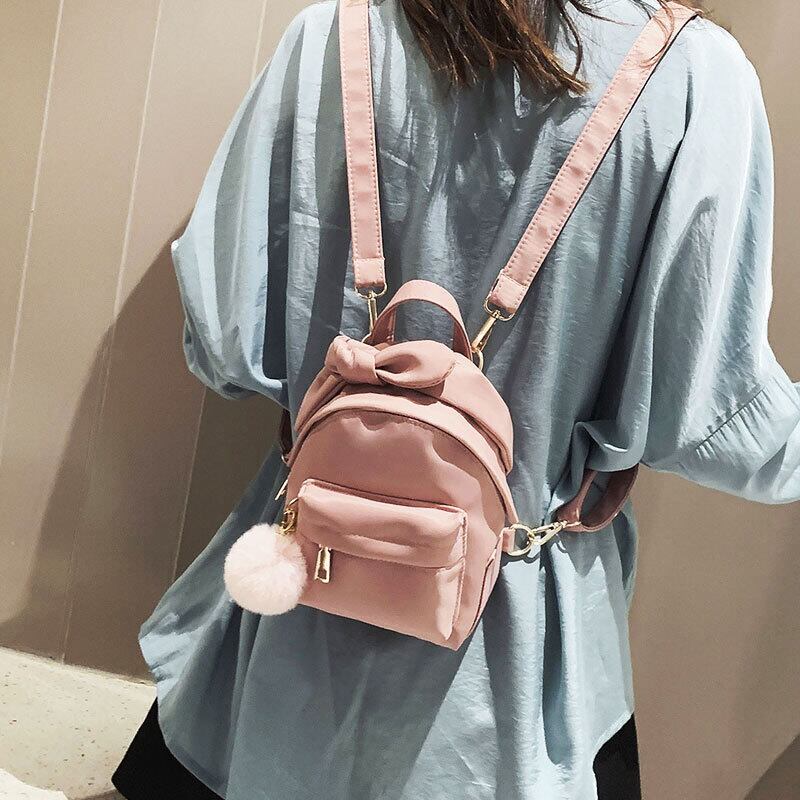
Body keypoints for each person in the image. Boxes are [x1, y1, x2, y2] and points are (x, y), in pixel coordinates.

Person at [113, 0, 800, 798]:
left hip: (298, 610)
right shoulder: (691, 78)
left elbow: (225, 342)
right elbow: (715, 418)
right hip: (505, 673)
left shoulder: (331, 35)